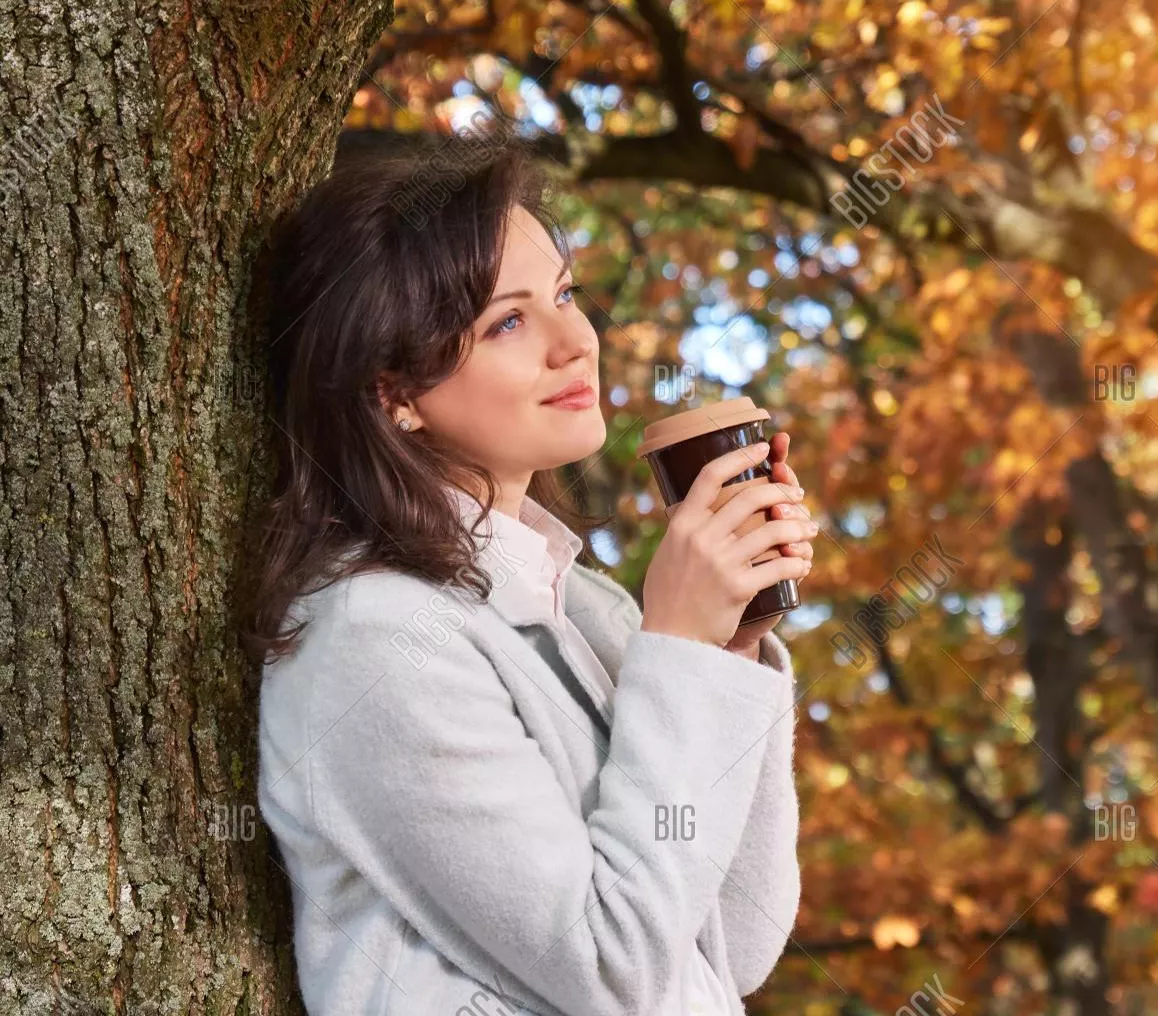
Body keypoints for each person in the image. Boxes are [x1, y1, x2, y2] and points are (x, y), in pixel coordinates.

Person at [241, 127, 816, 1015]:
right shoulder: (374, 638)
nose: (574, 341)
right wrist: (683, 652)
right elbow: (609, 968)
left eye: (563, 295)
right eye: (507, 321)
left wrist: (730, 652)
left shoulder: (581, 604)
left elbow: (729, 943)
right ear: (392, 391)